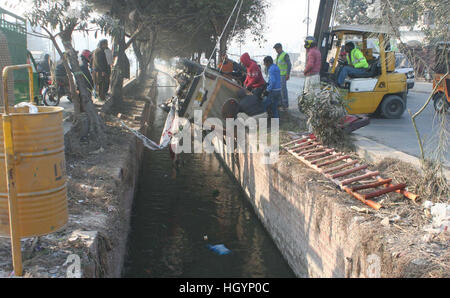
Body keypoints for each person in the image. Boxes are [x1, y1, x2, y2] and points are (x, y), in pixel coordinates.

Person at [273, 43, 292, 110]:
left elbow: (289, 65)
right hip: (278, 75)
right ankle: (280, 104)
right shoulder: (278, 55)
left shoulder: (285, 55)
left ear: (280, 48)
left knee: (283, 90)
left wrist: (287, 74)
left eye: (277, 49)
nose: (276, 50)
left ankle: (285, 105)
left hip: (283, 75)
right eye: (275, 49)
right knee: (279, 90)